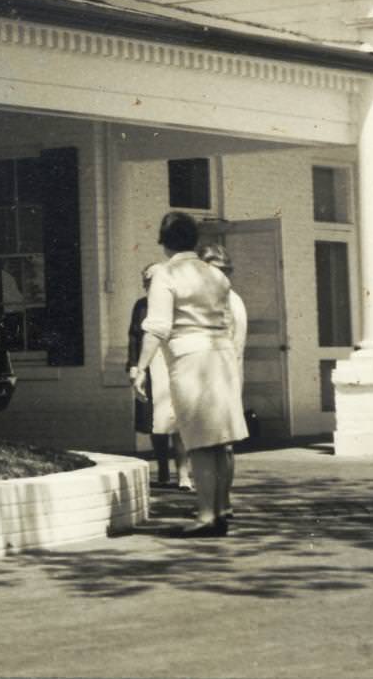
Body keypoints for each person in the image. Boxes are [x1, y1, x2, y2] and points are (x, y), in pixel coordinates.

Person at [130, 212, 247, 537]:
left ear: (164, 242)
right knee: (220, 439)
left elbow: (157, 328)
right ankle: (221, 507)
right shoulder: (216, 276)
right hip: (221, 358)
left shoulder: (166, 275)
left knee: (198, 442)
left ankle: (207, 515)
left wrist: (141, 367)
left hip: (190, 360)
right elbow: (227, 322)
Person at [127, 263, 192, 490]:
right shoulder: (141, 306)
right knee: (155, 423)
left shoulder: (177, 305)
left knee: (178, 423)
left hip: (173, 367)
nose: (147, 285)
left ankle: (183, 475)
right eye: (145, 281)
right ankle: (163, 471)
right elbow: (135, 337)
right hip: (150, 370)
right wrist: (134, 366)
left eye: (151, 280)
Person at [199, 243, 247, 521]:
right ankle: (219, 501)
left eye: (218, 270)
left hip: (220, 376)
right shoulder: (224, 298)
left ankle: (220, 501)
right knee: (218, 444)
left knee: (218, 444)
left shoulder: (227, 301)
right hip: (220, 376)